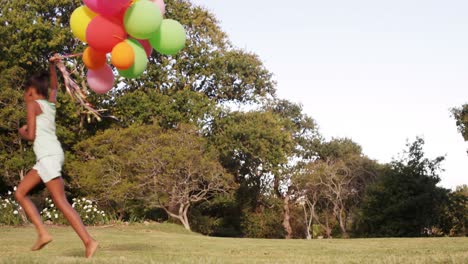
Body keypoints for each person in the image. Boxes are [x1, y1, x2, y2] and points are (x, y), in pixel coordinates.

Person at [14, 55, 98, 258]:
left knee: (60, 202)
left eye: (27, 91)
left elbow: (32, 135)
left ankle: (89, 241)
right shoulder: (50, 104)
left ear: (33, 92)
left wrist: (21, 132)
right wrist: (52, 66)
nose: (26, 95)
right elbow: (54, 87)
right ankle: (42, 233)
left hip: (47, 156)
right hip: (49, 156)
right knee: (20, 193)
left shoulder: (33, 105)